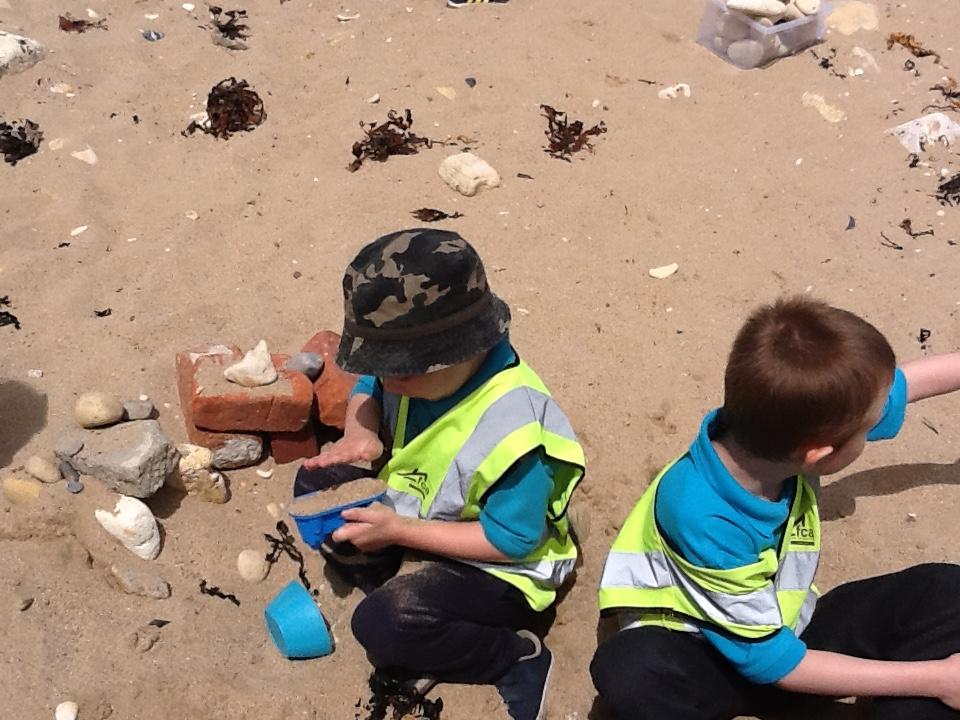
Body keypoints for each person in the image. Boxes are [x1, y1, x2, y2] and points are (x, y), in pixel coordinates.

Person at [591, 296, 960, 719]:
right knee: (632, 668)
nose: (879, 423)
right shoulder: (701, 517)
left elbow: (905, 385)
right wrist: (934, 678)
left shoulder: (767, 422)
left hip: (786, 625)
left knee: (945, 589)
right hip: (707, 654)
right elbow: (771, 663)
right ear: (819, 455)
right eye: (868, 428)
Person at [297, 228, 585, 720]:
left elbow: (512, 541)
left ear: (460, 349)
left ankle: (514, 657)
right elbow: (369, 383)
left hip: (498, 565)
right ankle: (397, 574)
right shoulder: (419, 375)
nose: (389, 382)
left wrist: (398, 532)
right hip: (425, 511)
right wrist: (360, 431)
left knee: (384, 625)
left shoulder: (514, 431)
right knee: (313, 487)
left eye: (401, 371)